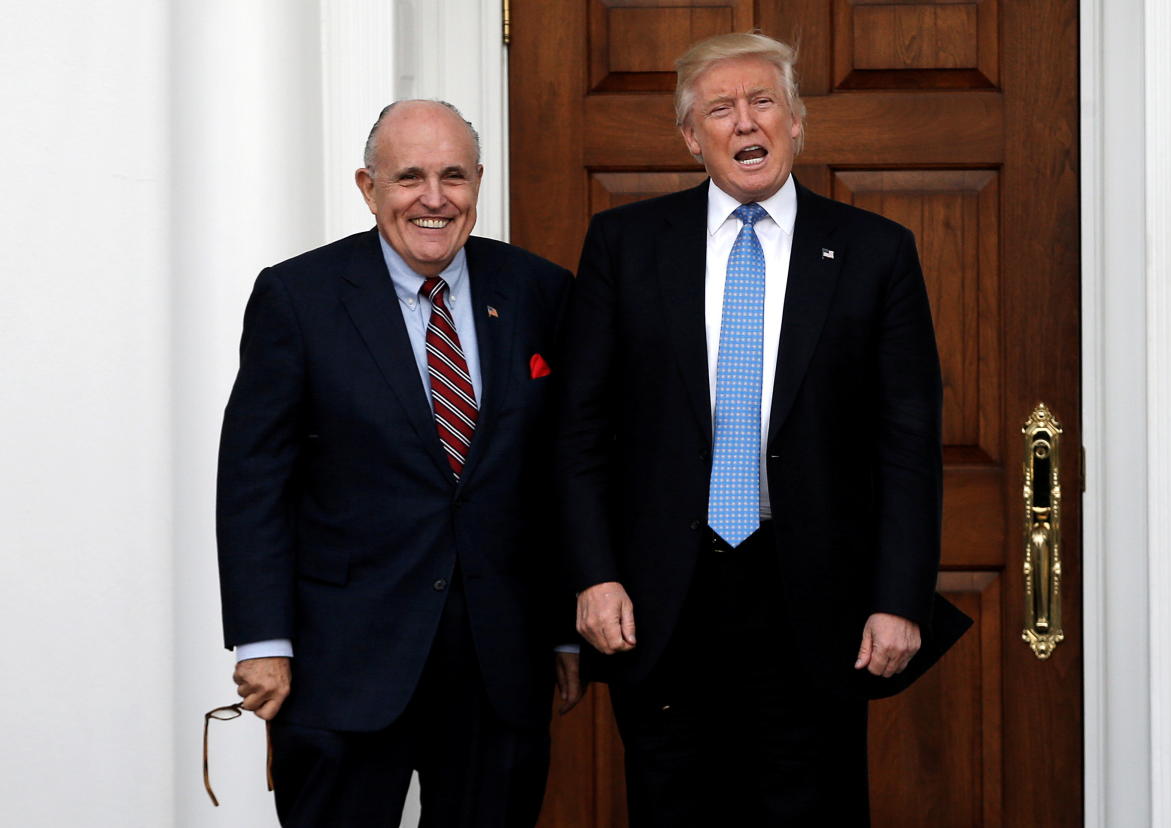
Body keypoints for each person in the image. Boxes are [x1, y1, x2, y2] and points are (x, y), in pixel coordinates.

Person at [555, 33, 970, 826]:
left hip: (814, 600)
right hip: (661, 600)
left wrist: (899, 597)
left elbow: (907, 444)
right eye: (720, 108)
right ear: (691, 138)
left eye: (763, 101)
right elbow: (580, 431)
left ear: (796, 121)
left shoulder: (874, 253)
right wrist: (592, 573)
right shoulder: (626, 246)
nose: (745, 121)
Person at [216, 99, 581, 828]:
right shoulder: (299, 297)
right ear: (367, 186)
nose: (434, 199)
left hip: (498, 663)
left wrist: (563, 627)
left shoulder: (540, 291)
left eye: (454, 175)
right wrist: (262, 640)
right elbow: (254, 478)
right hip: (342, 662)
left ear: (479, 180)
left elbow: (561, 470)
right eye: (409, 177)